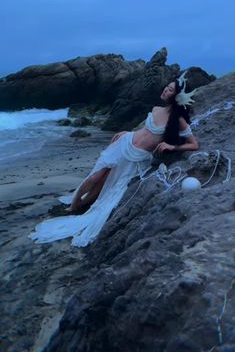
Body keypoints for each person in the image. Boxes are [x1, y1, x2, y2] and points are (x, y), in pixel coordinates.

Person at [29, 77, 198, 247]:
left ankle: (84, 203)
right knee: (96, 176)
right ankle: (74, 206)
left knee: (107, 183)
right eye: (166, 87)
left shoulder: (178, 121)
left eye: (169, 90)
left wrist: (172, 146)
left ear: (177, 97)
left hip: (137, 157)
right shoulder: (156, 109)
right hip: (124, 143)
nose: (164, 90)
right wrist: (127, 132)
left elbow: (193, 144)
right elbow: (145, 131)